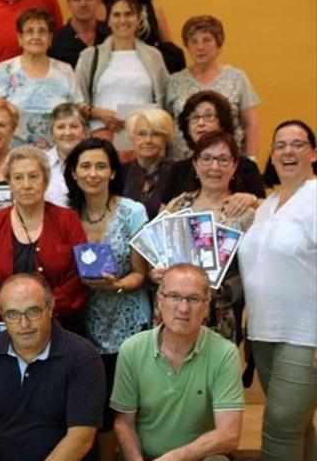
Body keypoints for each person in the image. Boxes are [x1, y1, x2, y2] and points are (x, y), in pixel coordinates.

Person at [0, 274, 105, 461]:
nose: (24, 324)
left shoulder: (83, 356)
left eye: (33, 311)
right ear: (1, 315)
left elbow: (81, 438)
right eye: (12, 314)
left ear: (50, 309)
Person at [64, 138, 150, 459]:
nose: (93, 173)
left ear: (113, 171)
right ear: (73, 172)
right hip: (82, 322)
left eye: (101, 166)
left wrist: (115, 286)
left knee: (126, 407)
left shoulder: (132, 211)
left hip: (127, 319)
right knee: (94, 408)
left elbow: (141, 274)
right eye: (85, 166)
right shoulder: (66, 215)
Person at [239, 120, 317, 461]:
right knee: (297, 426)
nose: (288, 151)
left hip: (305, 334)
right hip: (264, 333)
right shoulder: (267, 206)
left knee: (280, 426)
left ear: (313, 153)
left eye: (297, 144)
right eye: (280, 144)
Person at [112, 264, 244, 460]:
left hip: (200, 457)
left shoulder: (224, 353)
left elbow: (229, 434)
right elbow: (124, 423)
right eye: (174, 296)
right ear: (160, 300)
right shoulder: (132, 349)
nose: (183, 308)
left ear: (207, 304)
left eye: (193, 299)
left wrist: (175, 458)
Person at [0, 146, 88, 328]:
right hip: (3, 324)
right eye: (18, 178)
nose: (26, 185)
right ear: (9, 183)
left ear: (45, 181)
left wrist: (46, 311)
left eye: (33, 176)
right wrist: (6, 313)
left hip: (59, 323)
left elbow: (79, 273)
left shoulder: (67, 220)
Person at [161, 132, 255, 343]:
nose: (214, 167)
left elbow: (257, 271)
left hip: (219, 315)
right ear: (195, 165)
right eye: (206, 159)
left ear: (234, 166)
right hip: (172, 312)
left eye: (223, 159)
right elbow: (155, 250)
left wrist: (225, 289)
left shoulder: (246, 214)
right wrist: (155, 273)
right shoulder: (178, 205)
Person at [75, 0, 168, 150]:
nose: (123, 20)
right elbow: (76, 100)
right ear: (109, 20)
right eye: (116, 15)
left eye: (129, 14)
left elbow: (165, 99)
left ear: (138, 19)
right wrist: (98, 113)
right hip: (103, 138)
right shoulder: (90, 56)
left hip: (144, 141)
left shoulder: (154, 56)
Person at [167, 15, 261, 159]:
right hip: (183, 163)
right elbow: (166, 124)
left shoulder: (237, 78)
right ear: (187, 46)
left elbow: (251, 123)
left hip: (227, 163)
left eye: (206, 40)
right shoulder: (174, 81)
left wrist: (251, 160)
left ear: (219, 45)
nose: (200, 47)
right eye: (194, 41)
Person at [0, 8, 82, 149]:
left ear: (50, 39)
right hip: (12, 153)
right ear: (20, 38)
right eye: (30, 31)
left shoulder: (65, 70)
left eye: (42, 31)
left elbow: (78, 112)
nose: (36, 36)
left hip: (58, 153)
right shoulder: (5, 70)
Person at [162, 90, 266, 205]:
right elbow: (164, 214)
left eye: (208, 116)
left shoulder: (246, 167)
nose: (201, 123)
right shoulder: (178, 169)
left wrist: (252, 200)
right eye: (195, 117)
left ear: (222, 122)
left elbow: (264, 208)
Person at [48, 0, 110, 68]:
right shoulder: (55, 42)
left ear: (98, 0)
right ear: (69, 2)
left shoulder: (111, 36)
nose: (83, 4)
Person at [120, 109, 173, 219]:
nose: (148, 140)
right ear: (132, 138)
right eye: (142, 134)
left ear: (166, 138)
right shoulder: (120, 173)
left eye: (155, 134)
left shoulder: (178, 173)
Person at [44, 102, 88, 208]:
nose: (67, 133)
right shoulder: (40, 163)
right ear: (52, 133)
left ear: (84, 132)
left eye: (74, 126)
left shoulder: (94, 162)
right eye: (61, 127)